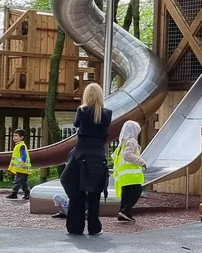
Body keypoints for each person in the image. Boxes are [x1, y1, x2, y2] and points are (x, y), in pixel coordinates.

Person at [61, 83, 113, 235]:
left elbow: (76, 124)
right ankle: (94, 227)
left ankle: (75, 227)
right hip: (98, 156)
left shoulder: (81, 111)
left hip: (81, 155)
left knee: (77, 193)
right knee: (95, 194)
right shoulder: (107, 113)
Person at [113, 121, 146, 222]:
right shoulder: (131, 141)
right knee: (138, 190)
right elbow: (127, 155)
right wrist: (141, 162)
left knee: (126, 193)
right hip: (131, 174)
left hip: (123, 175)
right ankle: (125, 210)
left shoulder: (122, 143)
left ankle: (122, 213)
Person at [5, 129, 31, 200]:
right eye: (14, 135)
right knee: (23, 183)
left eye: (16, 136)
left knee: (17, 181)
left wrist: (23, 162)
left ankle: (14, 193)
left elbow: (24, 155)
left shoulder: (21, 146)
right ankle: (27, 194)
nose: (14, 137)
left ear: (21, 137)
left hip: (22, 167)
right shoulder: (19, 145)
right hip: (21, 168)